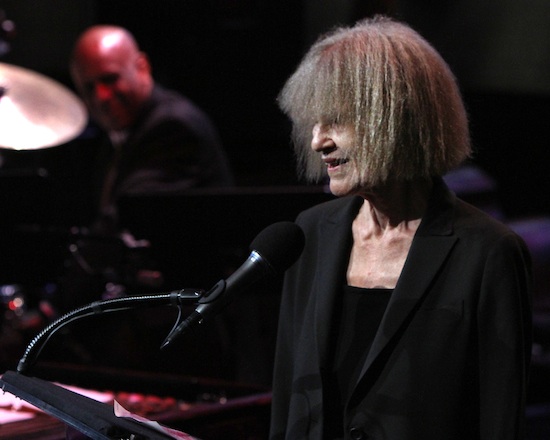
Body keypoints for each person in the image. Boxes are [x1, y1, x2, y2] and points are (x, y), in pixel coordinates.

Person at [270, 16, 532, 440]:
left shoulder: (488, 252)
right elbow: (287, 400)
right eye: (313, 123)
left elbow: (500, 419)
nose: (318, 141)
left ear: (397, 118)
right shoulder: (309, 234)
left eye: (335, 120)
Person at [69, 24, 234, 233]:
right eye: (88, 87)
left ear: (142, 67)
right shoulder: (120, 132)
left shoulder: (173, 126)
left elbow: (128, 213)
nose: (100, 96)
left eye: (110, 79)